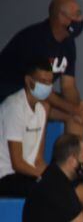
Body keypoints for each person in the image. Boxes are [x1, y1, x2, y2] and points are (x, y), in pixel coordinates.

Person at [0, 0, 83, 135]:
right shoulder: (35, 40)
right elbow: (40, 89)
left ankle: (76, 156)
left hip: (37, 95)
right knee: (47, 106)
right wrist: (73, 110)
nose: (80, 19)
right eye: (77, 14)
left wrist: (77, 109)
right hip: (10, 95)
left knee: (75, 119)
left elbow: (68, 86)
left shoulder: (68, 43)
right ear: (62, 17)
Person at [0, 60, 51, 197]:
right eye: (42, 81)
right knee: (48, 192)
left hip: (27, 174)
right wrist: (48, 178)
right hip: (6, 176)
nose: (47, 86)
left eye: (49, 82)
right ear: (29, 81)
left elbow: (38, 160)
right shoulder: (14, 107)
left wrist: (58, 178)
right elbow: (17, 163)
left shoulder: (42, 109)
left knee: (62, 188)